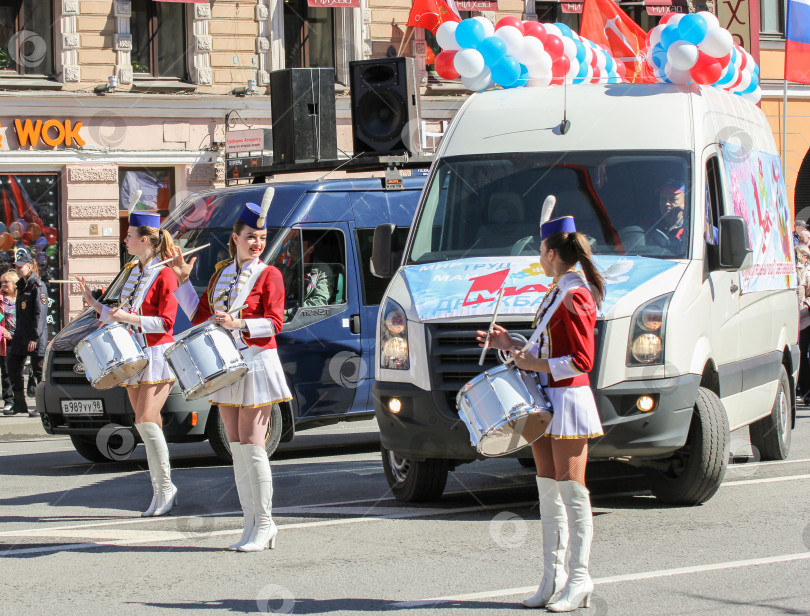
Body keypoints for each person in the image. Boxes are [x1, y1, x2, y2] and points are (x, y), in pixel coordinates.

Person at [476, 212, 604, 612]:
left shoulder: (576, 295)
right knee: (548, 491)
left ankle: (580, 577)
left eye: (540, 251)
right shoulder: (556, 293)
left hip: (569, 399)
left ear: (551, 253)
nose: (538, 256)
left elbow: (582, 361)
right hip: (546, 397)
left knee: (572, 491)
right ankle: (552, 577)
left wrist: (536, 366)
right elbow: (544, 349)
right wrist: (508, 341)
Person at [169, 200, 291, 552]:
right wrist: (183, 282)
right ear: (235, 238)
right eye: (250, 237)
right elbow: (199, 317)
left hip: (256, 363)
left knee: (253, 447)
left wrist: (239, 323)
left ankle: (266, 523)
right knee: (236, 450)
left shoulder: (270, 274)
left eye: (262, 237)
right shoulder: (221, 273)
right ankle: (249, 522)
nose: (257, 243)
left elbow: (276, 323)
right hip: (225, 367)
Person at [79, 208, 180, 517]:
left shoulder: (165, 273)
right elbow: (117, 313)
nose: (125, 239)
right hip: (133, 354)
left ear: (145, 239)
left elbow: (166, 322)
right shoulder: (133, 270)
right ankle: (160, 489)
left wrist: (128, 317)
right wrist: (93, 303)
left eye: (129, 235)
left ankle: (166, 489)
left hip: (157, 354)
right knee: (147, 425)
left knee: (146, 421)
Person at [7, 251, 47, 417]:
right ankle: (19, 403)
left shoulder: (38, 286)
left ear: (29, 267)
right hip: (21, 336)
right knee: (13, 365)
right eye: (16, 267)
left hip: (34, 336)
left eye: (20, 266)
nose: (17, 269)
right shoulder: (22, 285)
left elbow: (40, 314)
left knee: (38, 372)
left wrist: (34, 337)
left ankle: (40, 406)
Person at [0, 270, 18, 413]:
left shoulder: (22, 297)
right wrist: (3, 331)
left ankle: (20, 401)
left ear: (14, 283)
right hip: (6, 340)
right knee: (6, 371)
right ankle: (9, 400)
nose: (4, 284)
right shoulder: (1, 300)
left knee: (20, 371)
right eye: (2, 282)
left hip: (21, 338)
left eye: (7, 282)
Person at [302, 236, 334, 307]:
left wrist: (289, 311)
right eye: (291, 245)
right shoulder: (289, 267)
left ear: (310, 249)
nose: (292, 249)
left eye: (297, 245)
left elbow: (320, 301)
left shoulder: (323, 270)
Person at [796, 244, 810, 403]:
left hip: (806, 318)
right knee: (800, 354)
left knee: (805, 355)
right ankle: (803, 389)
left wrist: (806, 305)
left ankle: (806, 390)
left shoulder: (807, 272)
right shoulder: (792, 271)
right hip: (794, 317)